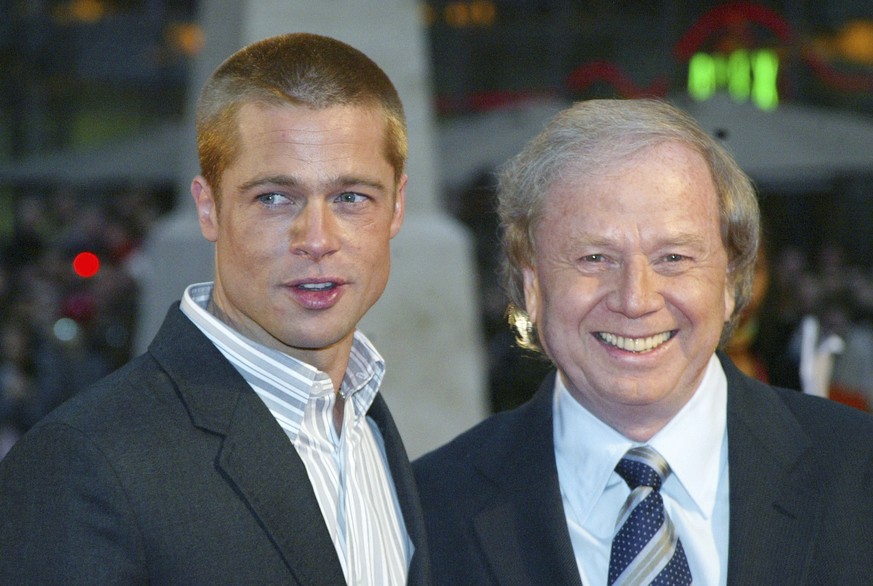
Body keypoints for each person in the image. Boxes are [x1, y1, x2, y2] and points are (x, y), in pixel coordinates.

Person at [0, 33, 431, 585]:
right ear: (208, 209)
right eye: (275, 198)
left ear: (396, 207)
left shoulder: (372, 431)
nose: (317, 237)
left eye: (351, 197)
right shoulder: (81, 463)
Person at [413, 98, 873, 585]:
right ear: (532, 285)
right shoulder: (428, 513)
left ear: (732, 281)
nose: (635, 299)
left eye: (673, 257)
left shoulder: (859, 479)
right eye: (594, 258)